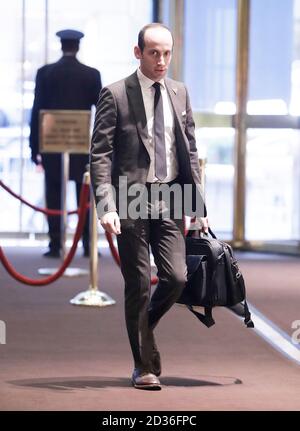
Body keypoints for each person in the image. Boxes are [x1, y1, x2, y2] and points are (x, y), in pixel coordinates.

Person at [90, 23, 208, 390]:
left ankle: (143, 328)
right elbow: (101, 154)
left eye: (167, 53)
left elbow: (189, 150)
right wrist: (106, 205)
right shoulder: (115, 94)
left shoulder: (179, 92)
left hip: (171, 195)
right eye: (154, 52)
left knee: (176, 277)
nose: (161, 60)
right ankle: (144, 366)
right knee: (139, 283)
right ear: (137, 52)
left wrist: (197, 204)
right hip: (131, 196)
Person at [29, 29, 102, 257]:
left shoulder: (45, 73)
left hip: (52, 145)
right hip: (81, 145)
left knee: (53, 193)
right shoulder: (91, 75)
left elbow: (36, 111)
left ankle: (55, 245)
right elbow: (101, 114)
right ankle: (88, 245)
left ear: (61, 46)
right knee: (85, 195)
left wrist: (34, 147)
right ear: (77, 47)